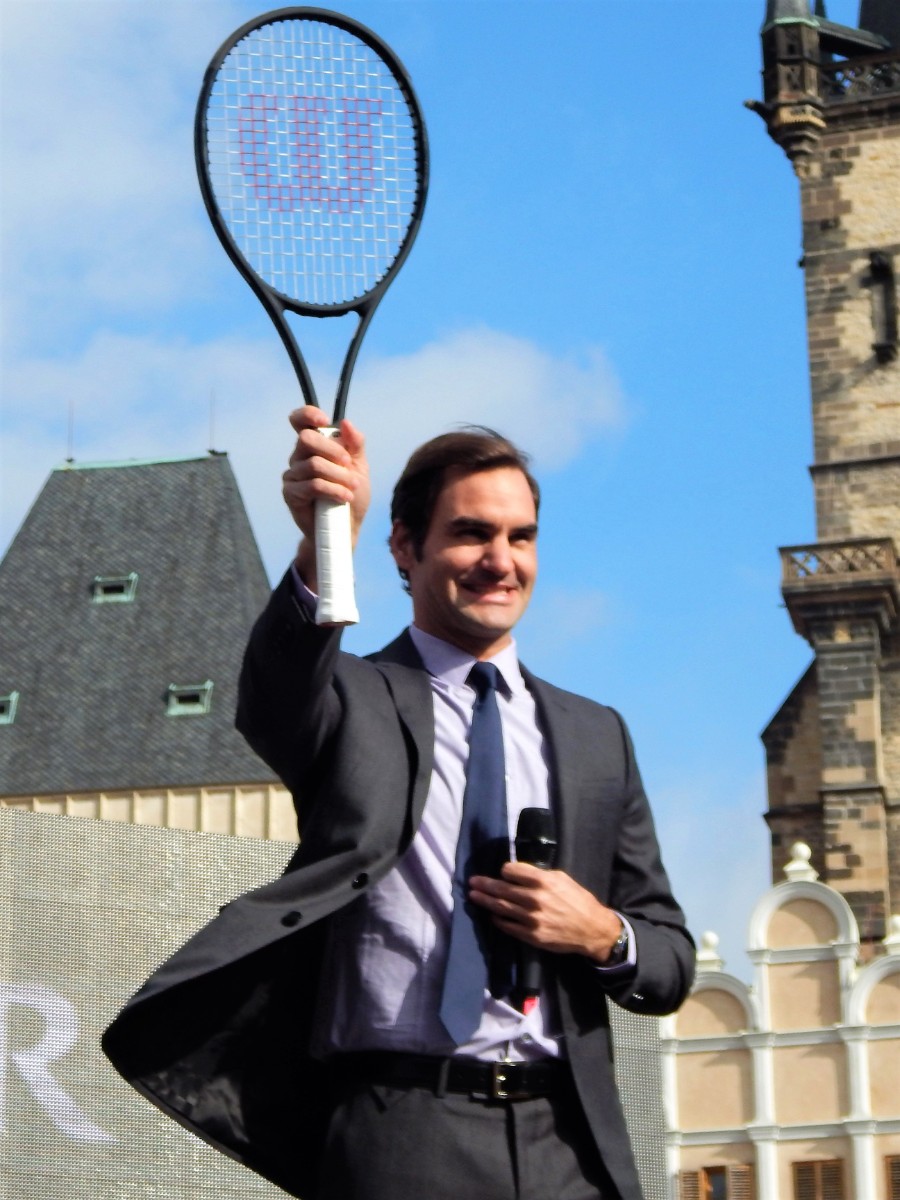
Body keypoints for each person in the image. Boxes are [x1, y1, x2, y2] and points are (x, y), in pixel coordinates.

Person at [102, 407, 694, 1200]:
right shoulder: (354, 699)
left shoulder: (597, 736)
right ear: (405, 549)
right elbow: (276, 694)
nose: (500, 560)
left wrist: (600, 933)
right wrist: (326, 541)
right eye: (472, 534)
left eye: (520, 537)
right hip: (401, 1133)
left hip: (566, 1144)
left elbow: (670, 959)